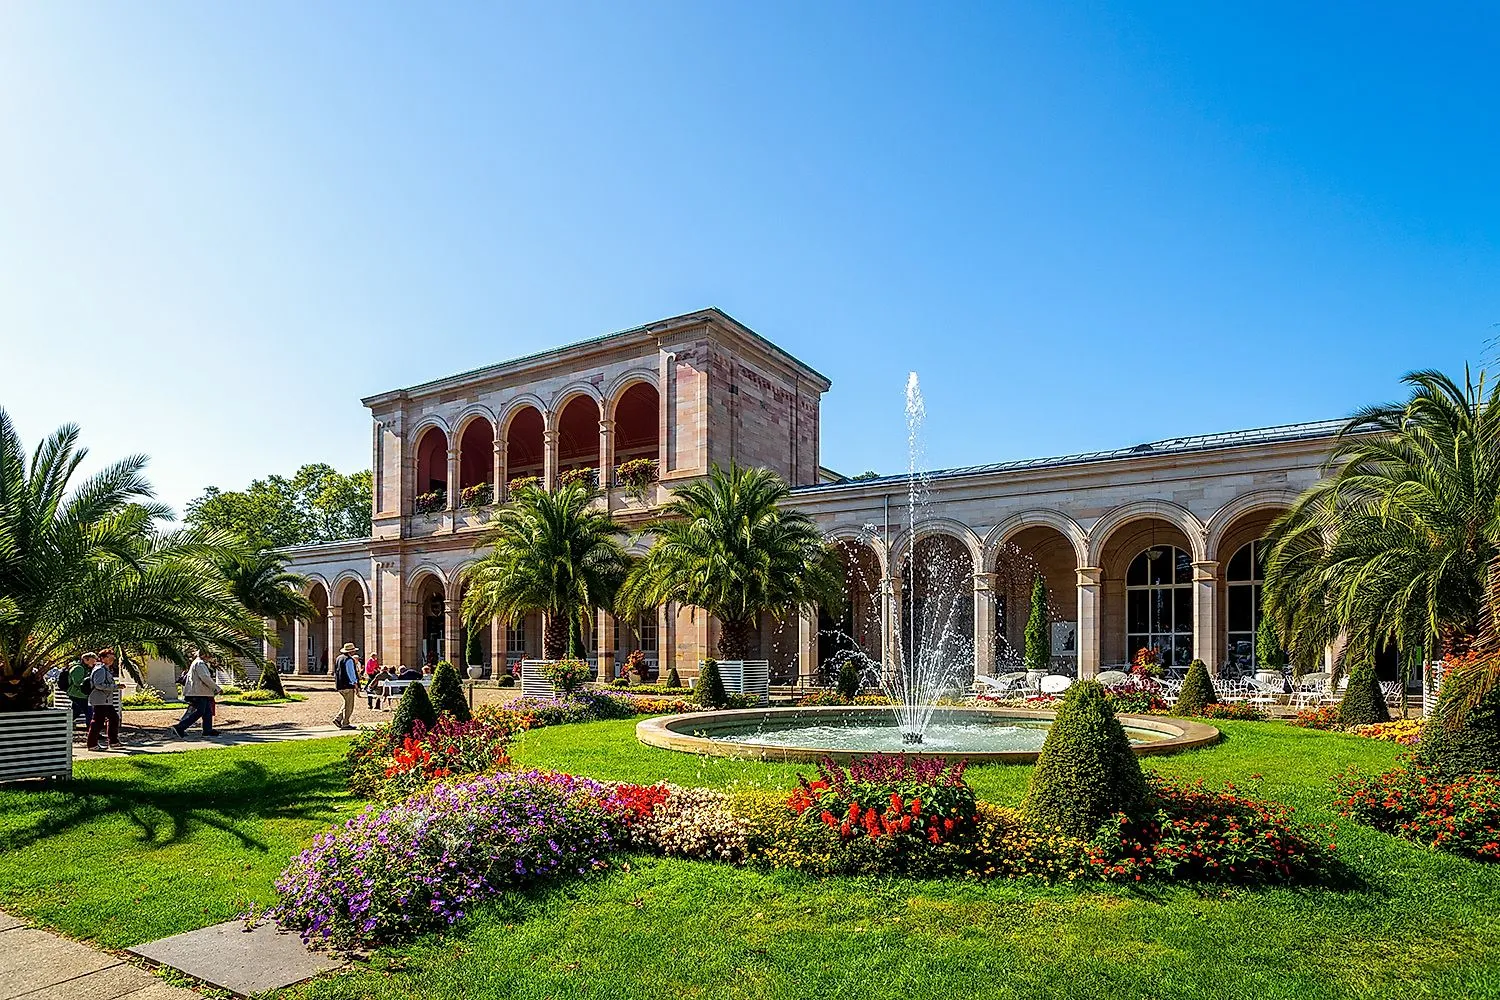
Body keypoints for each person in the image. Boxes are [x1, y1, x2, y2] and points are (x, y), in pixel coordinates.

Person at [171, 650, 221, 738]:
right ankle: (180, 727)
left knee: (207, 712)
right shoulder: (200, 664)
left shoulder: (198, 663)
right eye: (209, 655)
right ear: (204, 655)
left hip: (201, 692)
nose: (210, 657)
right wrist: (216, 688)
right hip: (198, 692)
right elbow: (205, 678)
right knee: (200, 711)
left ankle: (207, 730)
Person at [85, 648, 121, 750]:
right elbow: (98, 685)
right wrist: (115, 687)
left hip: (105, 700)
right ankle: (92, 744)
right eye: (109, 658)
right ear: (103, 658)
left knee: (113, 718)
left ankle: (113, 742)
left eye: (113, 658)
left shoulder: (105, 669)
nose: (112, 660)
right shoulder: (100, 670)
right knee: (98, 721)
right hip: (100, 700)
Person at [332, 641, 360, 729]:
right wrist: (355, 684)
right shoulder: (349, 660)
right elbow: (351, 673)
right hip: (347, 685)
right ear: (350, 652)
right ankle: (345, 723)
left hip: (339, 684)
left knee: (346, 703)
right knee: (349, 705)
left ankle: (338, 718)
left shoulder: (339, 658)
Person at [66, 653, 96, 727]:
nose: (94, 662)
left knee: (76, 712)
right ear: (86, 659)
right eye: (93, 661)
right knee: (89, 712)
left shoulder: (83, 667)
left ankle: (61, 726)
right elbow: (78, 683)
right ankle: (93, 732)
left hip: (78, 694)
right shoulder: (78, 668)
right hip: (78, 694)